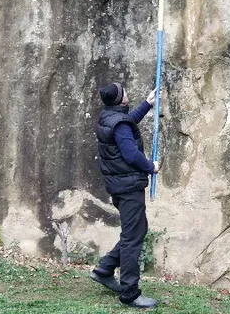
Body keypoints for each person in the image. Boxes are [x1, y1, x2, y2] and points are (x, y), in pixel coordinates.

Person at [90, 81, 160, 309]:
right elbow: (130, 153)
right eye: (125, 91)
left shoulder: (108, 117)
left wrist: (147, 104)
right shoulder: (119, 124)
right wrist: (151, 166)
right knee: (132, 239)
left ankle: (104, 270)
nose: (128, 93)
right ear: (121, 99)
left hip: (120, 186)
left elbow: (126, 125)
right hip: (129, 188)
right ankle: (130, 292)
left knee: (136, 231)